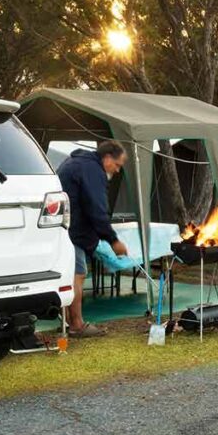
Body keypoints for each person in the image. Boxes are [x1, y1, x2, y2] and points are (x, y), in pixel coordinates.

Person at [57, 140, 129, 337]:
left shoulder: (76, 162)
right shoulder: (92, 170)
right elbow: (97, 209)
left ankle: (66, 321)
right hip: (73, 232)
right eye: (117, 165)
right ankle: (77, 325)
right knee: (77, 275)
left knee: (69, 274)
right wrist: (113, 240)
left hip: (62, 229)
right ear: (107, 158)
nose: (116, 171)